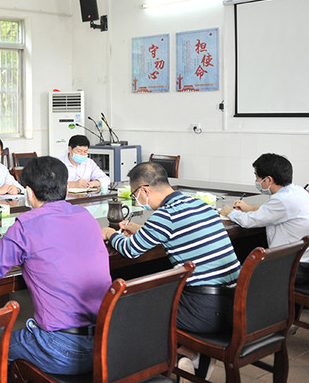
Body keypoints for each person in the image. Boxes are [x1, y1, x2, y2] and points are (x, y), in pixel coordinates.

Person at [102, 162, 241, 377]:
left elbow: (130, 250)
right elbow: (174, 232)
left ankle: (154, 369)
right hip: (236, 305)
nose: (137, 200)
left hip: (205, 312)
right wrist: (139, 230)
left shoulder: (165, 215)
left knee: (134, 305)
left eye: (135, 195)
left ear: (145, 190)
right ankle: (192, 356)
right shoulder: (198, 204)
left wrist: (110, 234)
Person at [0, 156, 111, 375]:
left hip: (60, 348)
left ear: (29, 193)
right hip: (106, 342)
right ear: (65, 188)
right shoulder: (86, 216)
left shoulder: (26, 225)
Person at [219, 153, 309, 284]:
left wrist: (229, 212)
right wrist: (250, 208)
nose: (256, 181)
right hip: (302, 261)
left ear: (268, 180)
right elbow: (274, 211)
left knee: (240, 269)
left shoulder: (281, 199)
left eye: (257, 176)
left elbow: (248, 221)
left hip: (294, 267)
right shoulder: (297, 191)